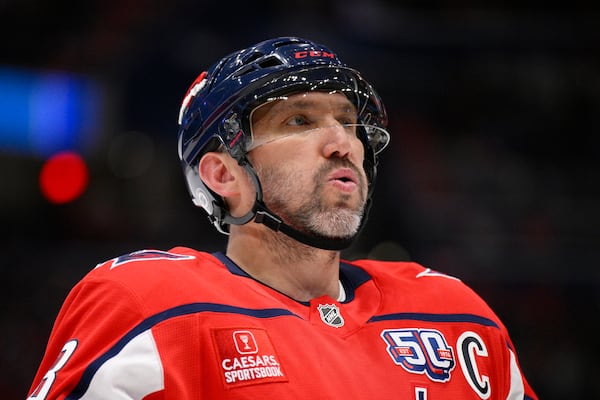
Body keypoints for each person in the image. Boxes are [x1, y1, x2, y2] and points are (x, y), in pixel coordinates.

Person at [27, 36, 537, 399]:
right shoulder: (149, 306)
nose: (344, 144)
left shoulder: (455, 314)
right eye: (300, 120)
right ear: (223, 175)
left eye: (347, 121)